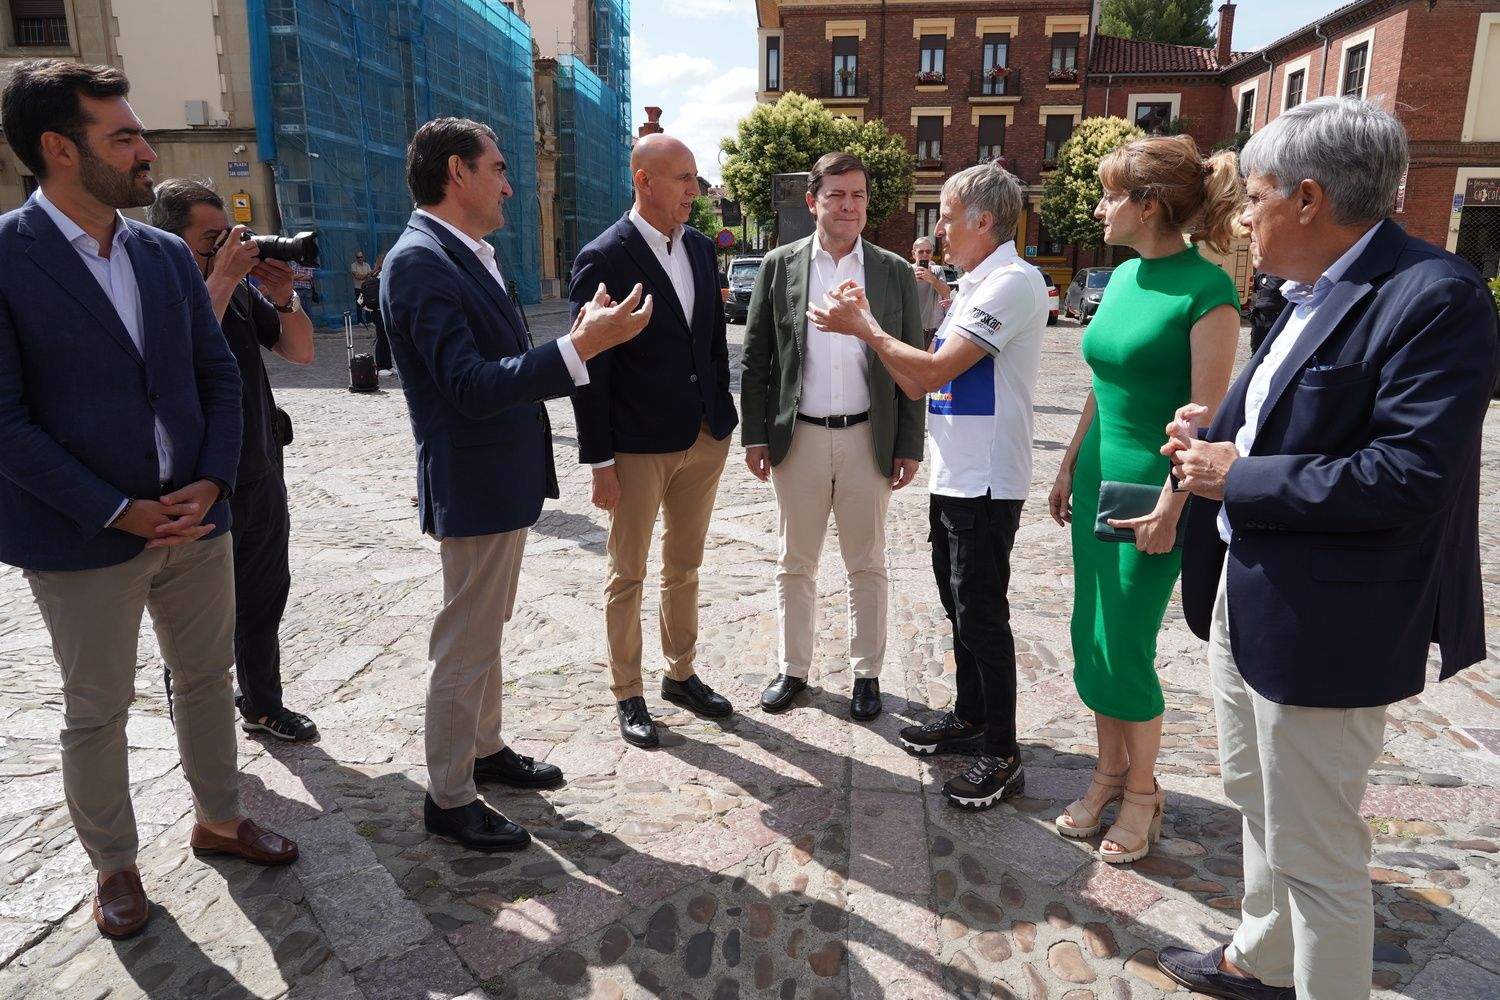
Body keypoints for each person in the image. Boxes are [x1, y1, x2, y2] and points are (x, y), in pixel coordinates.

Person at [1157, 98, 1499, 1000]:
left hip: (1331, 622)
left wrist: (1241, 475)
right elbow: (1291, 411)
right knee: (1254, 794)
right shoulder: (1306, 285)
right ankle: (1261, 959)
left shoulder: (1435, 297)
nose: (1242, 215)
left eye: (1256, 196)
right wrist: (1219, 430)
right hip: (1252, 587)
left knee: (1319, 850)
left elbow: (1408, 475)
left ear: (1308, 199)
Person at [0, 59, 298, 940]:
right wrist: (117, 509)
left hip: (198, 520)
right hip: (84, 538)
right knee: (98, 710)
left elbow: (216, 376)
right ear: (59, 149)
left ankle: (220, 817)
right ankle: (115, 868)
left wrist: (208, 477)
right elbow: (5, 423)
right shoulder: (6, 259)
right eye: (122, 135)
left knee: (207, 680)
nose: (145, 150)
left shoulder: (166, 256)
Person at [382, 117, 652, 852]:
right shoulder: (419, 262)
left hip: (499, 479)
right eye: (498, 169)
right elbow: (467, 385)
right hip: (470, 481)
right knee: (464, 641)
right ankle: (448, 794)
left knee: (485, 632)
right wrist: (577, 348)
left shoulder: (466, 253)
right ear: (455, 173)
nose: (509, 184)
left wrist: (576, 342)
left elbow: (497, 361)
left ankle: (485, 749)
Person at [806, 161, 1045, 805]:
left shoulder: (1013, 284)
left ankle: (1002, 751)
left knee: (983, 613)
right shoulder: (971, 284)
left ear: (984, 221)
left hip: (989, 480)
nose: (937, 226)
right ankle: (971, 718)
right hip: (956, 475)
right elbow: (915, 381)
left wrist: (867, 329)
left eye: (945, 215)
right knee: (957, 603)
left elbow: (934, 369)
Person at [1046, 135, 1242, 863]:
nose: (1099, 207)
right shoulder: (1121, 278)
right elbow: (1103, 389)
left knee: (1126, 642)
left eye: (1109, 194)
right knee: (1089, 635)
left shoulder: (1207, 290)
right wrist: (1068, 463)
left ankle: (1143, 794)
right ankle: (1105, 775)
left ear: (1148, 204)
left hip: (1154, 488)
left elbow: (1209, 419)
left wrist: (1173, 504)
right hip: (1100, 476)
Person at [568, 134, 739, 749]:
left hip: (702, 436)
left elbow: (713, 340)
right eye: (683, 179)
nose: (695, 191)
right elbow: (588, 365)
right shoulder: (603, 255)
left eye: (695, 178)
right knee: (628, 572)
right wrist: (600, 459)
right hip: (636, 445)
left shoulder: (696, 248)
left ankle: (681, 673)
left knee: (685, 566)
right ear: (643, 179)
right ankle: (627, 691)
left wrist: (721, 413)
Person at [741, 152, 925, 722]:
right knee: (794, 561)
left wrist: (909, 443)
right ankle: (793, 669)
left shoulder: (893, 271)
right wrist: (755, 434)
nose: (849, 206)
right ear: (813, 201)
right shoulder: (781, 265)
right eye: (838, 195)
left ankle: (866, 673)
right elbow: (757, 358)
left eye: (859, 196)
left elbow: (911, 364)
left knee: (866, 562)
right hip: (799, 437)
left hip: (869, 436)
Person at [147, 178, 320, 743]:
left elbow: (301, 351)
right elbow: (177, 359)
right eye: (211, 240)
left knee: (265, 595)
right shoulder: (158, 291)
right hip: (198, 483)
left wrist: (283, 296)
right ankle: (199, 726)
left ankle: (263, 703)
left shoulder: (240, 292)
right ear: (173, 241)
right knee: (196, 619)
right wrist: (221, 277)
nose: (229, 249)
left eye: (230, 237)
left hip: (260, 468)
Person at [911, 236, 950, 344]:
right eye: (921, 252)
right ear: (914, 254)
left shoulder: (937, 270)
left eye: (928, 251)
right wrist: (911, 281)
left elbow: (946, 293)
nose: (925, 255)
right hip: (913, 328)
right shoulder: (907, 271)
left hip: (934, 328)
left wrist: (931, 278)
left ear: (932, 253)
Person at [360, 252, 391, 374]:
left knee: (386, 338)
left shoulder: (379, 274)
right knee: (382, 338)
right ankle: (381, 366)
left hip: (382, 311)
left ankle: (388, 365)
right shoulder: (382, 275)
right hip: (379, 311)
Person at [1246, 270, 1286, 354]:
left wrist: (1264, 281)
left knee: (1275, 349)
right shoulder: (1261, 272)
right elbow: (1255, 287)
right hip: (1259, 315)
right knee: (1256, 349)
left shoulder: (1284, 271)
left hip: (1277, 315)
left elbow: (1275, 284)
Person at [350, 249, 372, 319]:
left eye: (361, 257)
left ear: (363, 257)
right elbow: (358, 277)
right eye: (358, 257)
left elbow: (370, 276)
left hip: (366, 287)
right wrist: (366, 275)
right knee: (359, 304)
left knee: (368, 304)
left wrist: (364, 275)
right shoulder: (353, 265)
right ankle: (360, 321)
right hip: (358, 288)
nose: (360, 259)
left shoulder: (367, 265)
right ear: (356, 258)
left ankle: (369, 320)